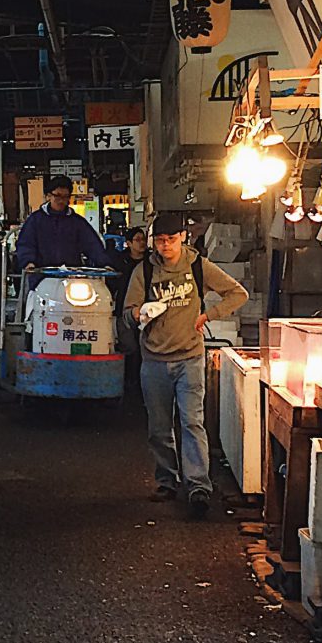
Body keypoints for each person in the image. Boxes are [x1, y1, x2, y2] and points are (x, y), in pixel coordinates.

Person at [124, 211, 247, 519]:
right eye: (160, 241)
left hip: (190, 357)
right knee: (159, 427)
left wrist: (209, 316)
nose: (165, 246)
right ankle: (166, 480)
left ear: (183, 238)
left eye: (171, 240)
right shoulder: (144, 272)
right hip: (153, 359)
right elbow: (126, 313)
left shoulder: (197, 267)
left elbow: (237, 293)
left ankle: (197, 486)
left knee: (192, 423)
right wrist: (140, 313)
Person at [14, 175, 110, 271]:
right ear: (48, 196)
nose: (61, 200)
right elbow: (26, 243)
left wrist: (105, 264)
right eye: (57, 196)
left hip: (72, 274)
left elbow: (92, 244)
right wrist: (28, 262)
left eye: (65, 197)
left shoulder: (77, 222)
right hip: (40, 274)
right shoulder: (35, 220)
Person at [111, 227, 148, 388]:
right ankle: (129, 383)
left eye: (143, 239)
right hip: (124, 309)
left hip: (148, 310)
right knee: (129, 346)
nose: (142, 243)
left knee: (146, 347)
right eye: (137, 240)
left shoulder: (152, 261)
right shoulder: (119, 261)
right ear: (128, 243)